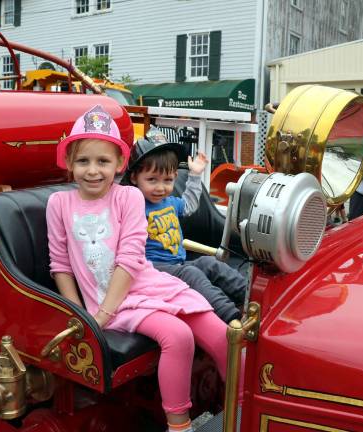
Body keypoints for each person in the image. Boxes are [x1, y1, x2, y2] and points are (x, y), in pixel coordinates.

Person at [47, 105, 228, 432]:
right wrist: (83, 315)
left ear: (118, 164)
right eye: (83, 161)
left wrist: (101, 314)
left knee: (222, 334)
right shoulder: (58, 204)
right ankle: (179, 425)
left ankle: (242, 407)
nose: (93, 171)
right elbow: (60, 263)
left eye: (102, 161)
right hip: (108, 303)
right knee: (178, 336)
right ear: (70, 164)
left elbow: (130, 259)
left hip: (145, 284)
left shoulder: (128, 197)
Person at [121, 127, 247, 323]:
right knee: (192, 273)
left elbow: (189, 204)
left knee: (209, 263)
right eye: (152, 180)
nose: (160, 187)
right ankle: (232, 317)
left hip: (176, 264)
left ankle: (251, 298)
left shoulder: (170, 202)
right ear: (134, 178)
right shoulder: (133, 204)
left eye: (168, 180)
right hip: (152, 270)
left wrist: (195, 175)